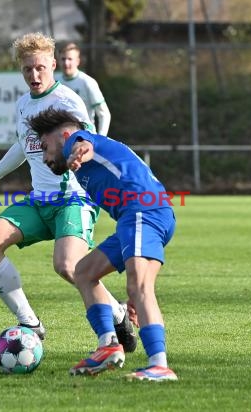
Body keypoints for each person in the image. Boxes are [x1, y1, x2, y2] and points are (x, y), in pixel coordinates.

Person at [0, 32, 137, 352]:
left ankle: (116, 314)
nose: (34, 75)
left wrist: (83, 159)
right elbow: (23, 145)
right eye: (27, 70)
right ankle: (29, 322)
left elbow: (89, 143)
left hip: (73, 198)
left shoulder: (67, 102)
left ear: (52, 64)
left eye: (40, 68)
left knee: (69, 267)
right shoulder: (23, 105)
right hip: (39, 199)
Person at [28, 107, 178, 381]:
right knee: (84, 271)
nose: (43, 155)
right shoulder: (81, 164)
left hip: (144, 212)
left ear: (63, 136)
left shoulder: (78, 142)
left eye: (45, 145)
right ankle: (108, 346)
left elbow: (85, 142)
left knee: (140, 286)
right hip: (136, 217)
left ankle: (160, 365)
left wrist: (79, 151)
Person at [56, 42, 111, 135]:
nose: (66, 63)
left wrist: (101, 139)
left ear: (77, 61)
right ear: (58, 61)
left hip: (86, 139)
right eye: (63, 59)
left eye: (70, 59)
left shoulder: (88, 82)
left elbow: (104, 114)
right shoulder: (55, 83)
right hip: (62, 141)